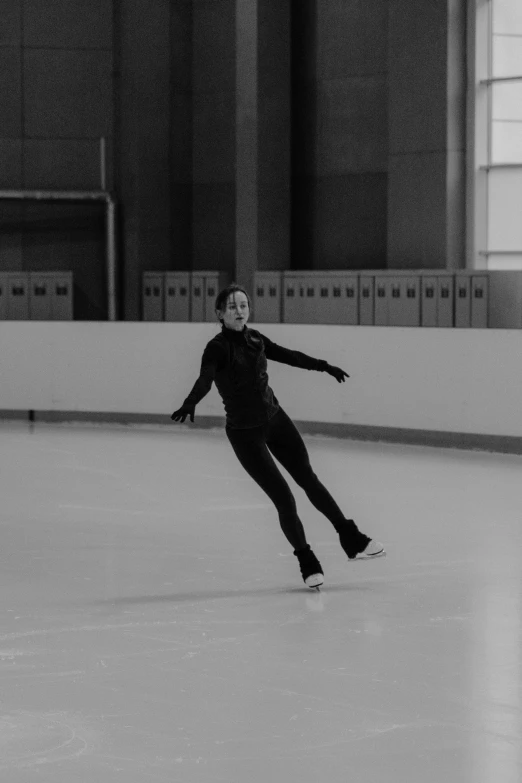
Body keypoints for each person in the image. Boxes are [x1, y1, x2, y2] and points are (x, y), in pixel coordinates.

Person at [171, 283, 385, 589]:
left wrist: (323, 366)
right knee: (285, 500)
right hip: (245, 434)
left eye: (243, 305)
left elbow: (290, 356)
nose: (239, 311)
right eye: (232, 306)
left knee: (309, 479)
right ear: (219, 313)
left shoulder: (255, 337)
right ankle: (306, 560)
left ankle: (352, 539)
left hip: (276, 420)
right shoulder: (217, 347)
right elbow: (205, 378)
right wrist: (191, 400)